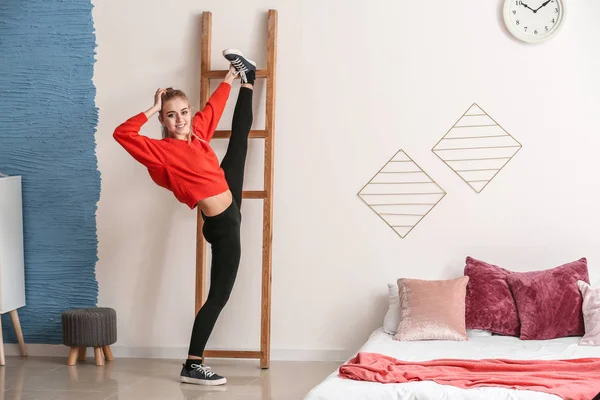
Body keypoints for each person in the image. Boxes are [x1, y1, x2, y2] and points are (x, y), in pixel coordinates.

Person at [113, 49, 257, 385]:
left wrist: (229, 80)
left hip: (230, 204)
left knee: (238, 145)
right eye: (171, 115)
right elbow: (123, 134)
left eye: (183, 112)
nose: (180, 120)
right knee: (218, 296)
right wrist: (151, 107)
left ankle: (247, 79)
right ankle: (192, 363)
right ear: (162, 121)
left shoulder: (199, 134)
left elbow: (214, 109)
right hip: (223, 225)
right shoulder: (162, 152)